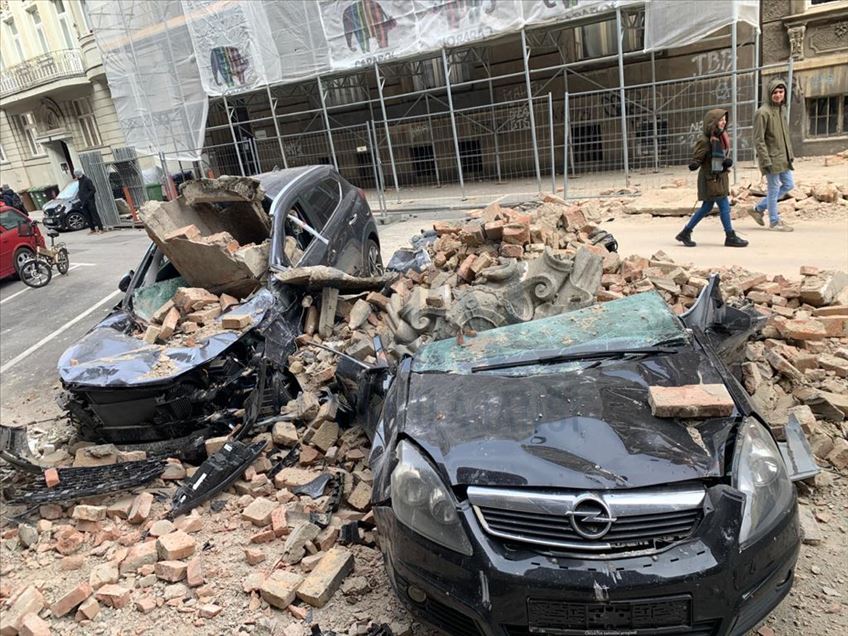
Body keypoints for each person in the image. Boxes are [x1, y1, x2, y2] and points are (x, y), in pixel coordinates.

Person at [675, 108, 748, 248]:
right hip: (711, 178)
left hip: (718, 177)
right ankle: (730, 236)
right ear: (712, 122)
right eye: (720, 120)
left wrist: (725, 162)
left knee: (706, 207)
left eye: (725, 120)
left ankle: (685, 232)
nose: (723, 122)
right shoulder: (705, 140)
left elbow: (721, 156)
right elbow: (698, 157)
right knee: (724, 206)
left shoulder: (721, 136)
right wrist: (695, 163)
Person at [750, 78, 794, 232]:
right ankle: (774, 221)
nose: (778, 95)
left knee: (789, 185)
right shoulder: (762, 112)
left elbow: (784, 135)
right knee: (774, 189)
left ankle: (757, 209)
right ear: (770, 93)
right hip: (771, 159)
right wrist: (765, 160)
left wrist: (789, 154)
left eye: (781, 92)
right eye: (775, 92)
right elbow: (758, 139)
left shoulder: (782, 109)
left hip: (783, 158)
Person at [74, 169, 103, 234]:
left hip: (90, 201)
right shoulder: (80, 181)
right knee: (87, 216)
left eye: (76, 175)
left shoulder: (87, 180)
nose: (76, 177)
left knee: (94, 215)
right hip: (83, 202)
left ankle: (100, 228)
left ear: (78, 175)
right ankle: (92, 229)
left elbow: (93, 190)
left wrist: (87, 197)